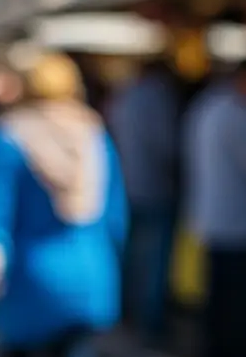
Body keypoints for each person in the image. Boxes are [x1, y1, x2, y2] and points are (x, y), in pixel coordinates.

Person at [0, 52, 127, 357]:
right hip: (91, 272)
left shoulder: (9, 135)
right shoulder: (94, 133)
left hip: (29, 279)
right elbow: (115, 219)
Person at [185, 58, 246, 357]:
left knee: (219, 302)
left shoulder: (207, 107)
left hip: (213, 221)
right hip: (244, 226)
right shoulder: (241, 113)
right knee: (241, 308)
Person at [110, 57, 181, 348]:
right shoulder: (157, 98)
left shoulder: (123, 96)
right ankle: (150, 321)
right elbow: (166, 143)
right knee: (155, 259)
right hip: (154, 187)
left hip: (127, 186)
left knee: (132, 253)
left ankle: (126, 311)